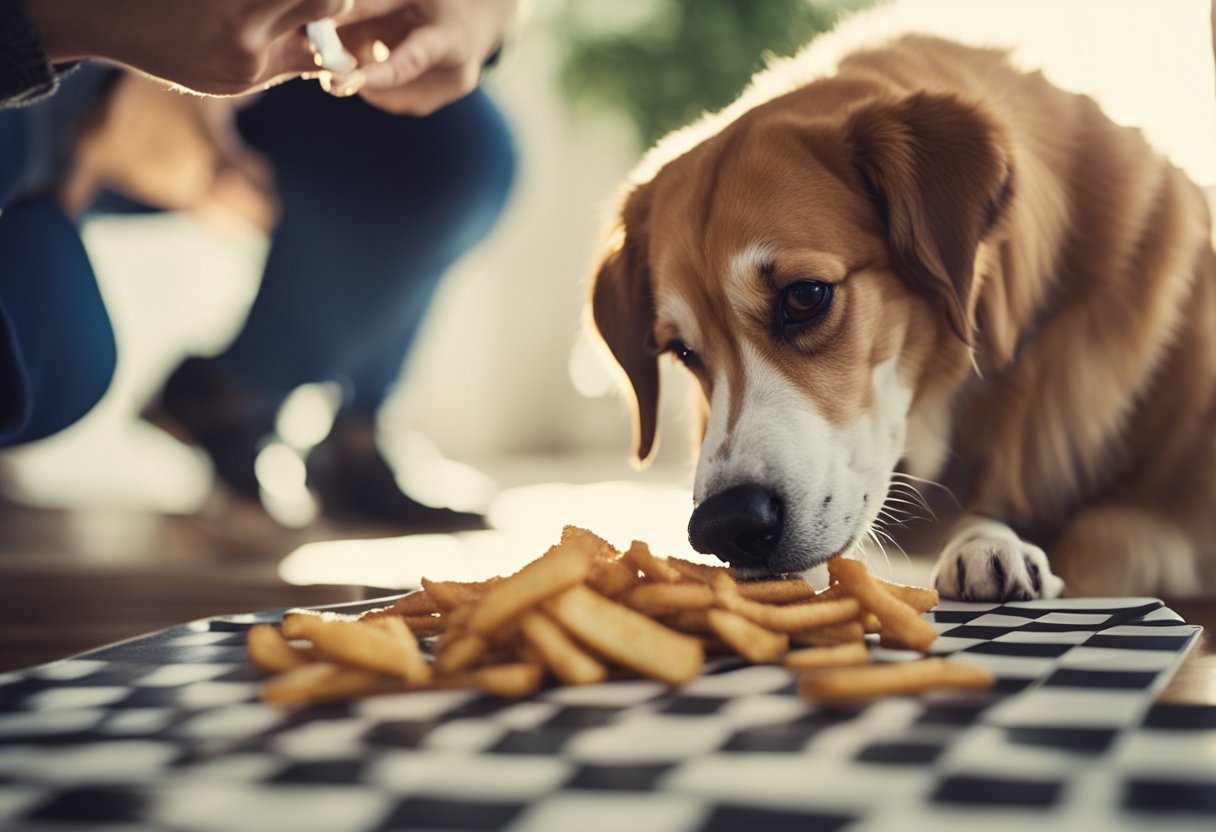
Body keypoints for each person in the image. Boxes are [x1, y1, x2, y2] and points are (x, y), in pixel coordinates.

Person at [1, 0, 519, 530]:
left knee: (455, 150)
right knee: (52, 365)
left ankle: (276, 408)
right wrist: (102, 36)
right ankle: (219, 403)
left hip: (234, 61)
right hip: (43, 60)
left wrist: (485, 13)